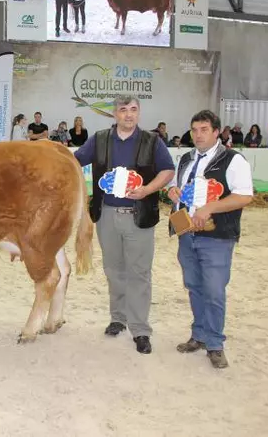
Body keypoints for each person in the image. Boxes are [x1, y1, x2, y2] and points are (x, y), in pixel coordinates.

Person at [73, 95, 175, 354]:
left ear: (138, 112)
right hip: (106, 215)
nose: (128, 114)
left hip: (139, 216)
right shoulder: (99, 139)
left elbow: (168, 170)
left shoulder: (153, 141)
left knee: (139, 273)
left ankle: (140, 329)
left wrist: (147, 189)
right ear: (114, 114)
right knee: (113, 269)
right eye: (123, 110)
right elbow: (74, 162)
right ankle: (118, 318)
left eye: (133, 109)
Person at [167, 110, 253, 369]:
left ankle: (215, 344)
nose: (198, 135)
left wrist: (210, 208)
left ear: (217, 132)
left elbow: (244, 196)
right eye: (194, 130)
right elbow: (175, 188)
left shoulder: (233, 160)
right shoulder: (185, 159)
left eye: (204, 129)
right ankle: (200, 335)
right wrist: (173, 191)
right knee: (194, 287)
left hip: (216, 236)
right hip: (186, 231)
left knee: (214, 291)